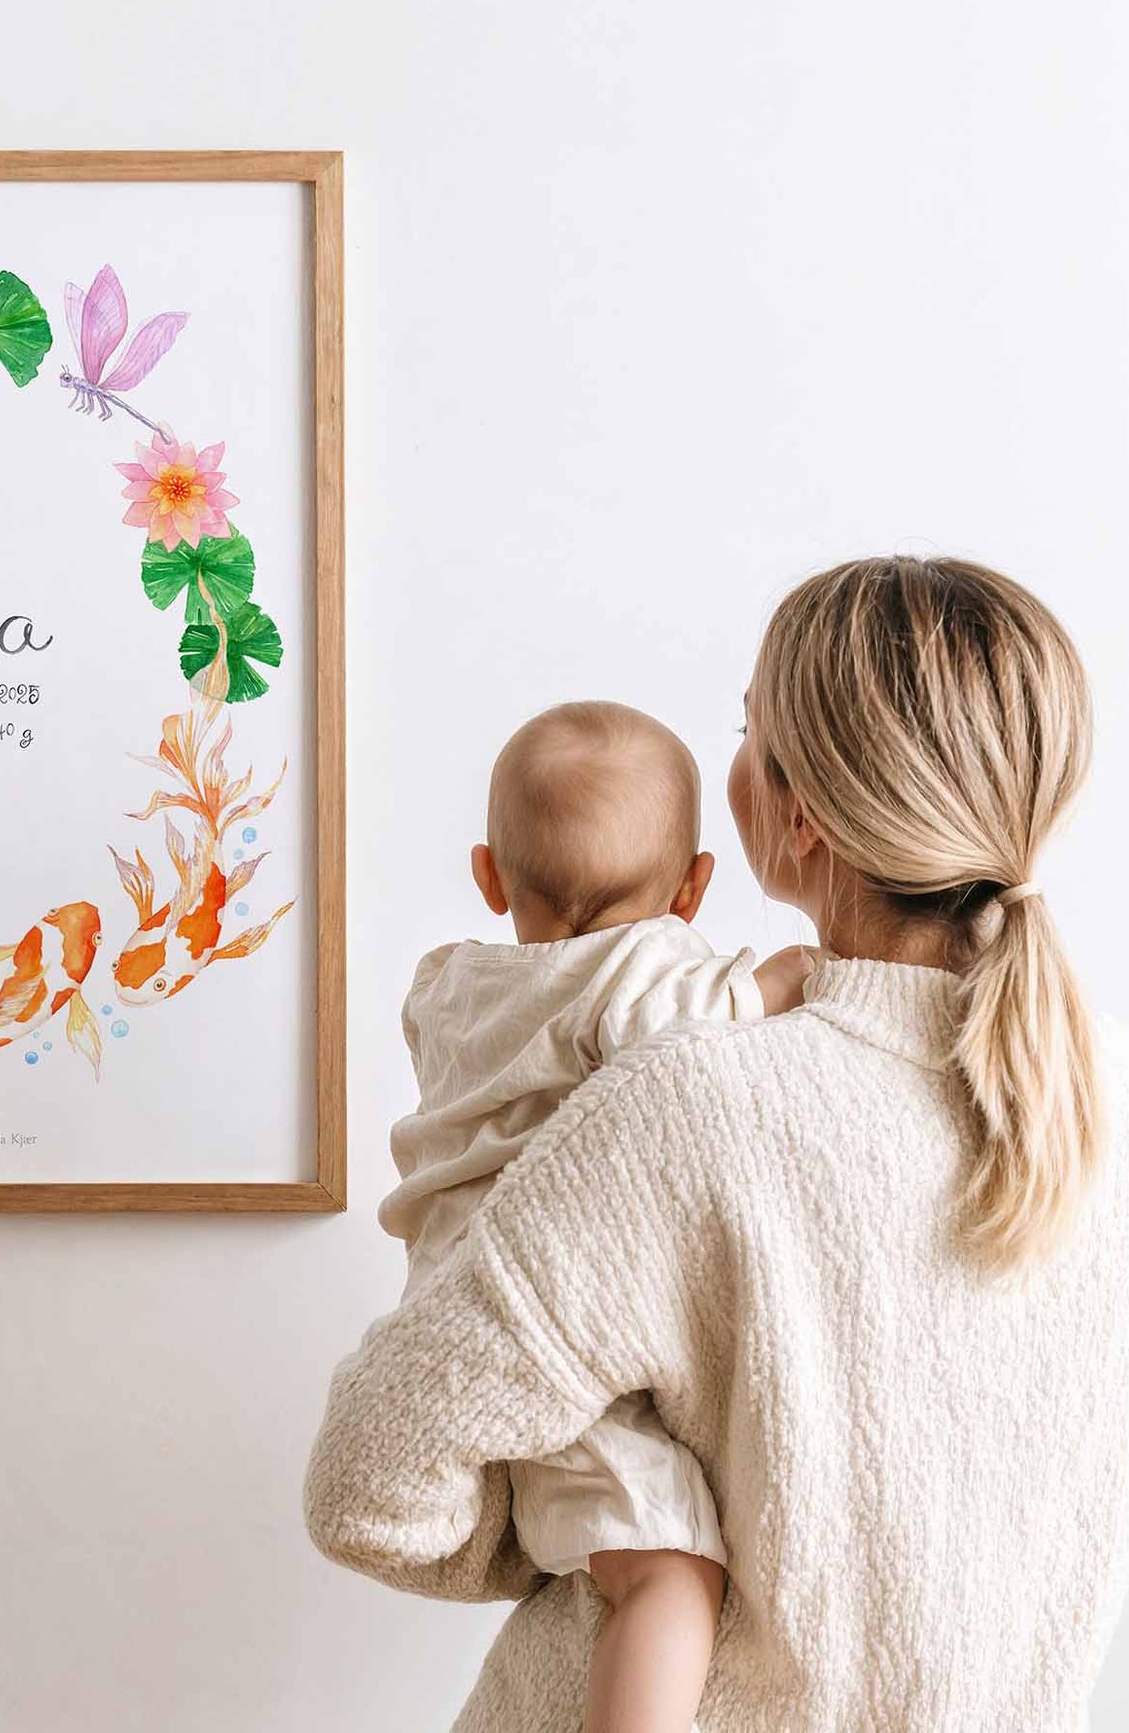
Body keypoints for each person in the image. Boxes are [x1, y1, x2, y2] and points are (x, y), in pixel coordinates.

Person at [306, 557, 1129, 1732]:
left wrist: (579, 1527)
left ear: (799, 815)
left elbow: (367, 1481)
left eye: (748, 731)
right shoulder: (1109, 1102)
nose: (733, 755)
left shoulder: (688, 1102)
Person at [381, 700, 812, 1733]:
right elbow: (686, 1023)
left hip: (458, 1302)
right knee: (667, 1568)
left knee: (625, 1549)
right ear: (691, 889)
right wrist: (787, 976)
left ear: (489, 877)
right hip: (549, 1322)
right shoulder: (637, 981)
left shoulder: (444, 989)